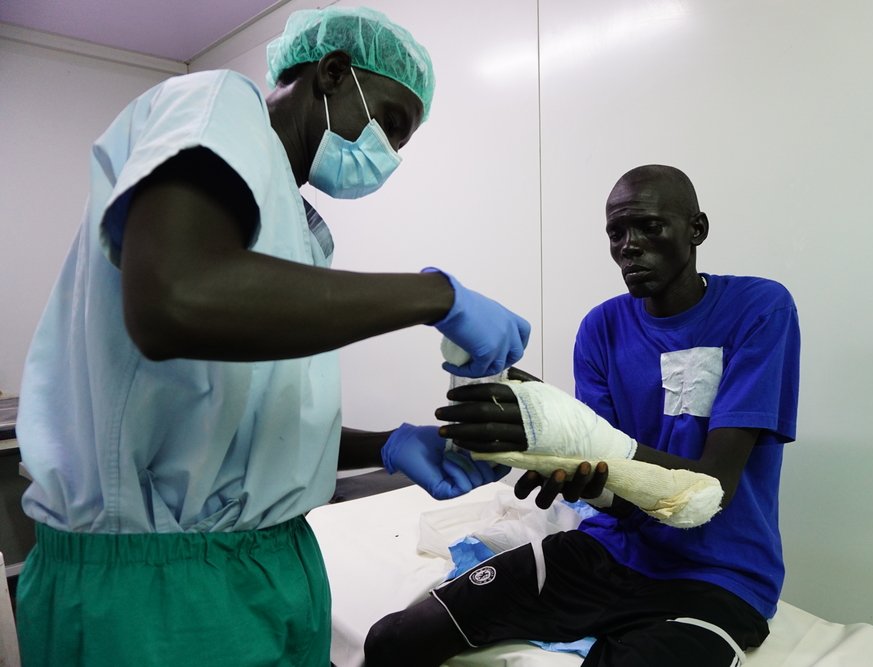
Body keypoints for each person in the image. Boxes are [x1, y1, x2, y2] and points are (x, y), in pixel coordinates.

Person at [14, 6, 527, 666]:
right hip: (158, 589)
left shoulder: (293, 228)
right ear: (333, 72)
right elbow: (175, 297)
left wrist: (390, 444)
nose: (389, 157)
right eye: (391, 124)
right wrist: (436, 296)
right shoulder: (215, 99)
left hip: (268, 566)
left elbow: (240, 431)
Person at [364, 164, 801, 667]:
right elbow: (617, 495)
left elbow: (709, 490)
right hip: (610, 551)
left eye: (649, 227)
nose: (629, 246)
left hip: (720, 577)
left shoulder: (759, 309)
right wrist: (581, 478)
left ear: (696, 229)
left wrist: (587, 445)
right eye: (616, 232)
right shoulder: (602, 328)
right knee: (395, 639)